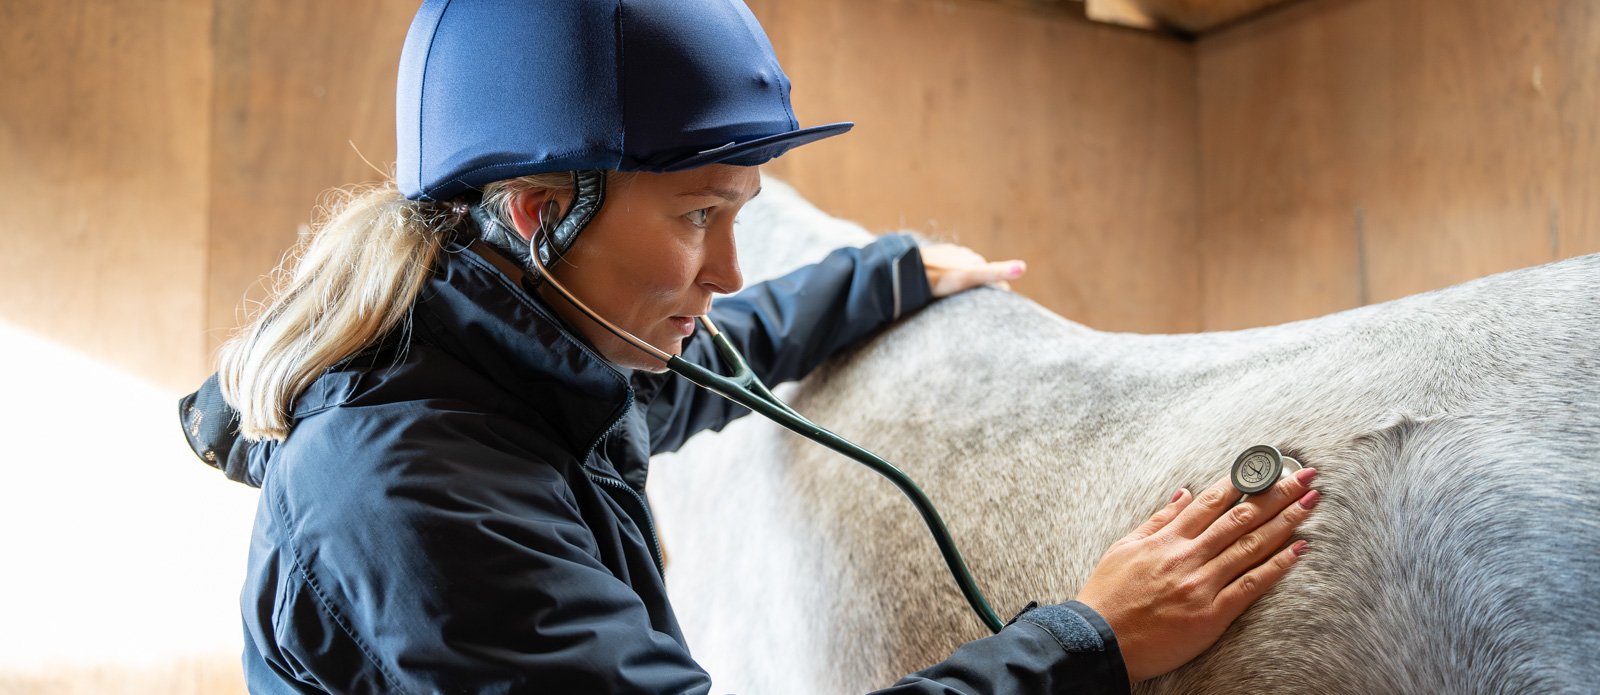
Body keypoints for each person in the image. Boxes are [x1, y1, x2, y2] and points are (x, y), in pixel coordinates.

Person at [179, 1, 1318, 692]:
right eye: (694, 217)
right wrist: (1092, 641)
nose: (728, 270)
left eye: (738, 214)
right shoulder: (415, 491)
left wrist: (882, 277)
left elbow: (680, 380)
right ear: (537, 211)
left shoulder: (489, 362)